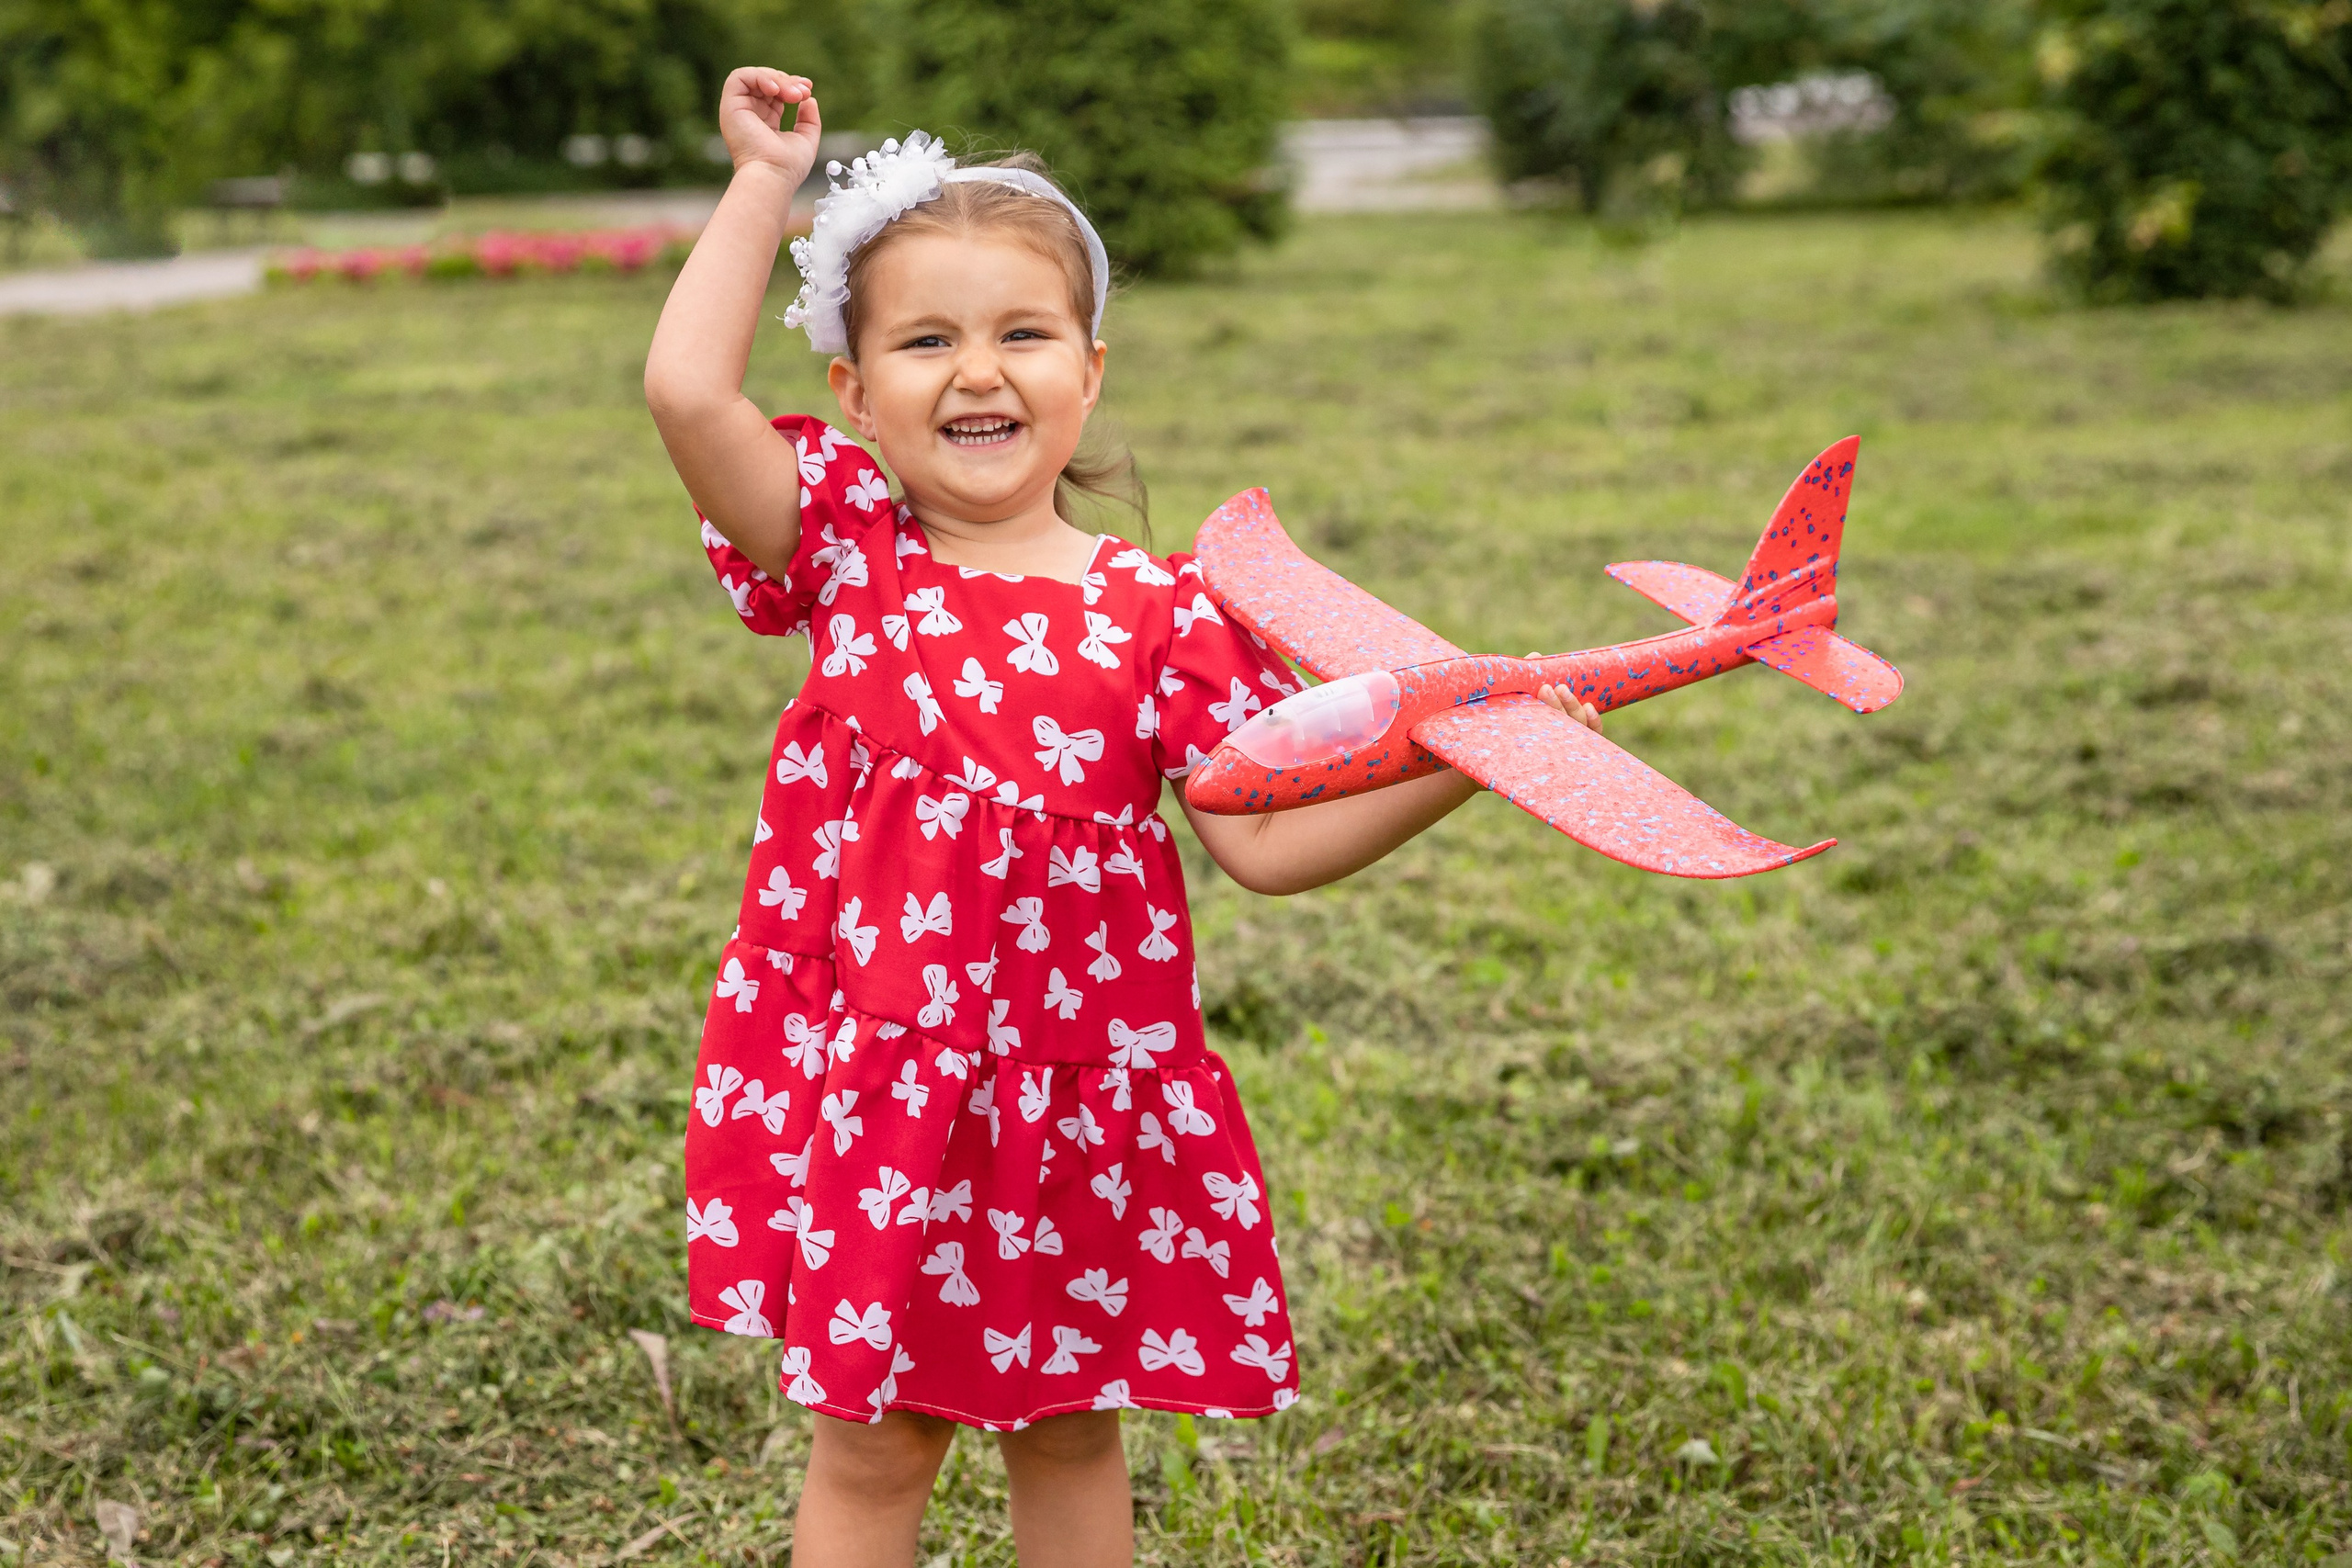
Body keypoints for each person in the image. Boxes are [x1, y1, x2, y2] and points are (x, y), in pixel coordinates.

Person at [643, 66, 1602, 1568]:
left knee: (1073, 1427)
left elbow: (1268, 843)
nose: (978, 372)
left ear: (1089, 371)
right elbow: (687, 393)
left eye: (1023, 333)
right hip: (888, 1091)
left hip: (1075, 1108)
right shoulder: (847, 550)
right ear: (852, 389)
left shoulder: (1158, 615)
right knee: (874, 1445)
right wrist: (768, 185)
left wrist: (1466, 760)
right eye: (925, 339)